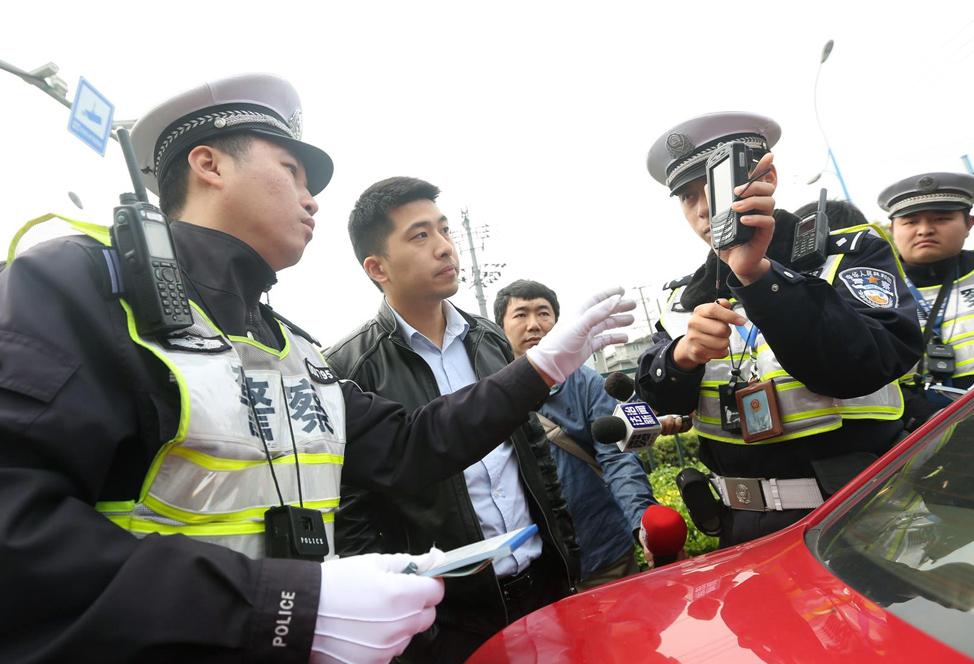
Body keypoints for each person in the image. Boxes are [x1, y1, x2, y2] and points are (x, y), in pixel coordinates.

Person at [0, 75, 633, 663]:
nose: (312, 201)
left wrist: (542, 367)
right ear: (209, 164)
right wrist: (288, 604)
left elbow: (412, 445)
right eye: (292, 172)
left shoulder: (290, 348)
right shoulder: (81, 286)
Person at [323, 177, 593, 663]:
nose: (445, 247)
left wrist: (564, 556)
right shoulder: (349, 369)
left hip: (541, 588)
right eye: (420, 235)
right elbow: (352, 516)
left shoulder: (491, 340)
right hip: (445, 618)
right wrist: (413, 626)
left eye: (444, 230)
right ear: (376, 266)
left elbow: (534, 458)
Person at [638, 111, 922, 547]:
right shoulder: (682, 297)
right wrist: (682, 357)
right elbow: (652, 399)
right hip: (736, 529)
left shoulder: (848, 252)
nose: (701, 210)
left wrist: (762, 280)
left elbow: (865, 363)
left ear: (766, 175)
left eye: (712, 186)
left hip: (859, 518)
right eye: (686, 197)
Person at [494, 278, 670, 587]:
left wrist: (643, 519)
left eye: (544, 313)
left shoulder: (588, 383)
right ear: (501, 327)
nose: (534, 324)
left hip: (604, 552)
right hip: (531, 567)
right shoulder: (487, 394)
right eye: (521, 314)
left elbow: (617, 458)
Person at [878, 172, 974, 430]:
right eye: (910, 221)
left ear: (969, 223)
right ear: (892, 230)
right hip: (922, 436)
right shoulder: (871, 289)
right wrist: (921, 418)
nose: (924, 230)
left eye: (942, 219)